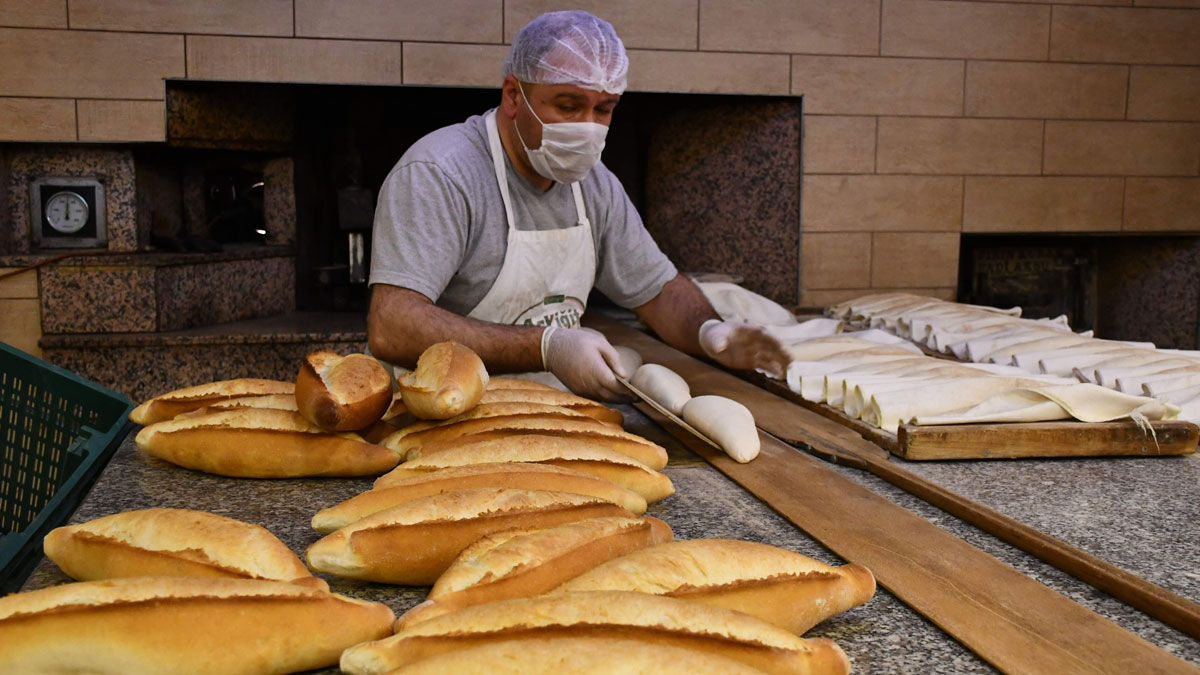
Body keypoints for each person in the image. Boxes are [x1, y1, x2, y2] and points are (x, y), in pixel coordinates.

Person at [368, 10, 788, 401]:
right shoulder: (440, 173)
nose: (587, 127)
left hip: (550, 411)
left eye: (603, 109)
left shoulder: (595, 186)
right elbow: (391, 325)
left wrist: (708, 330)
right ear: (514, 96)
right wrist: (546, 346)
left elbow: (658, 291)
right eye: (568, 106)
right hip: (436, 412)